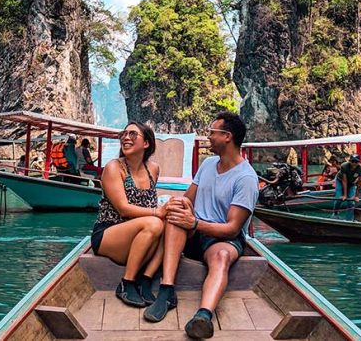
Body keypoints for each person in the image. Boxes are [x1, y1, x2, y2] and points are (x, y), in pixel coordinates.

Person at [143, 111, 258, 340]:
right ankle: (167, 291)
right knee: (177, 214)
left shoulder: (245, 178)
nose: (208, 137)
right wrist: (179, 205)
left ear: (227, 136)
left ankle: (203, 316)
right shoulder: (208, 164)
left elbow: (232, 228)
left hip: (222, 238)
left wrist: (195, 222)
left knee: (222, 256)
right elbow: (189, 198)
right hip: (194, 232)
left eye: (212, 133)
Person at [90, 122, 165, 307]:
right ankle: (127, 282)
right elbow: (123, 208)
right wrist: (157, 212)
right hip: (110, 233)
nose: (126, 138)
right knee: (155, 223)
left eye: (133, 134)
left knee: (172, 221)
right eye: (124, 134)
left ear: (146, 143)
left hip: (140, 234)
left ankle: (146, 280)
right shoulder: (114, 168)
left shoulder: (153, 169)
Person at [332, 154, 361, 220]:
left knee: (351, 201)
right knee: (339, 199)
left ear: (358, 162)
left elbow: (359, 183)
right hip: (340, 181)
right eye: (352, 161)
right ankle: (335, 213)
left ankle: (349, 219)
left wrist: (357, 196)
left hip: (352, 183)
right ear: (349, 161)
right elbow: (344, 181)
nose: (354, 163)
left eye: (356, 162)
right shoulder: (344, 166)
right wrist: (345, 195)